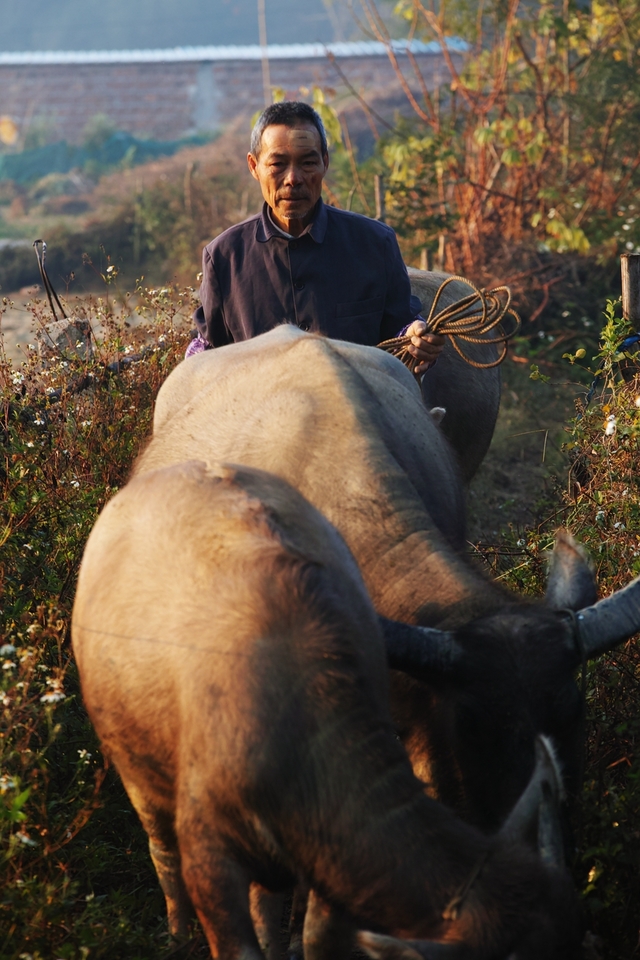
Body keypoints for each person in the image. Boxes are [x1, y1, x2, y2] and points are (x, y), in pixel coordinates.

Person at [189, 100, 444, 373]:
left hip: (356, 409)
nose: (293, 178)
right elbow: (207, 352)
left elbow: (401, 328)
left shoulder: (374, 244)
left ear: (325, 162)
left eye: (308, 162)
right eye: (278, 163)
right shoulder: (224, 257)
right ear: (254, 167)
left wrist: (415, 338)